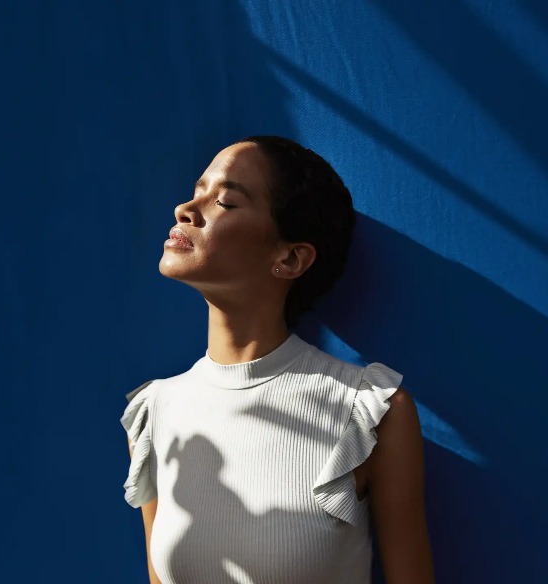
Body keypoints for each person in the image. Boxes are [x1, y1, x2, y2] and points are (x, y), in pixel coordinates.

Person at [121, 136, 435, 583]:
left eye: (226, 201)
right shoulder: (154, 413)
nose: (186, 210)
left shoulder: (368, 413)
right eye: (198, 190)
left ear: (289, 258)